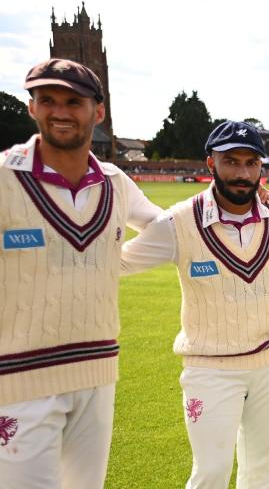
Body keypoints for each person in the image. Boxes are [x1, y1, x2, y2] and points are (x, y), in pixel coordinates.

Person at [119, 120, 269, 489]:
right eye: (231, 162)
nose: (242, 173)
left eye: (251, 163)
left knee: (264, 471)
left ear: (261, 167)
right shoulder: (179, 222)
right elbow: (121, 261)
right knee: (210, 471)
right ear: (211, 163)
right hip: (211, 365)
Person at [0, 59, 163, 488]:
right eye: (46, 99)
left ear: (98, 112)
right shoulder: (4, 176)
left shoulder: (114, 181)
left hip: (96, 372)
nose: (60, 111)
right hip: (19, 380)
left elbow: (166, 229)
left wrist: (116, 262)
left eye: (74, 101)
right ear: (32, 107)